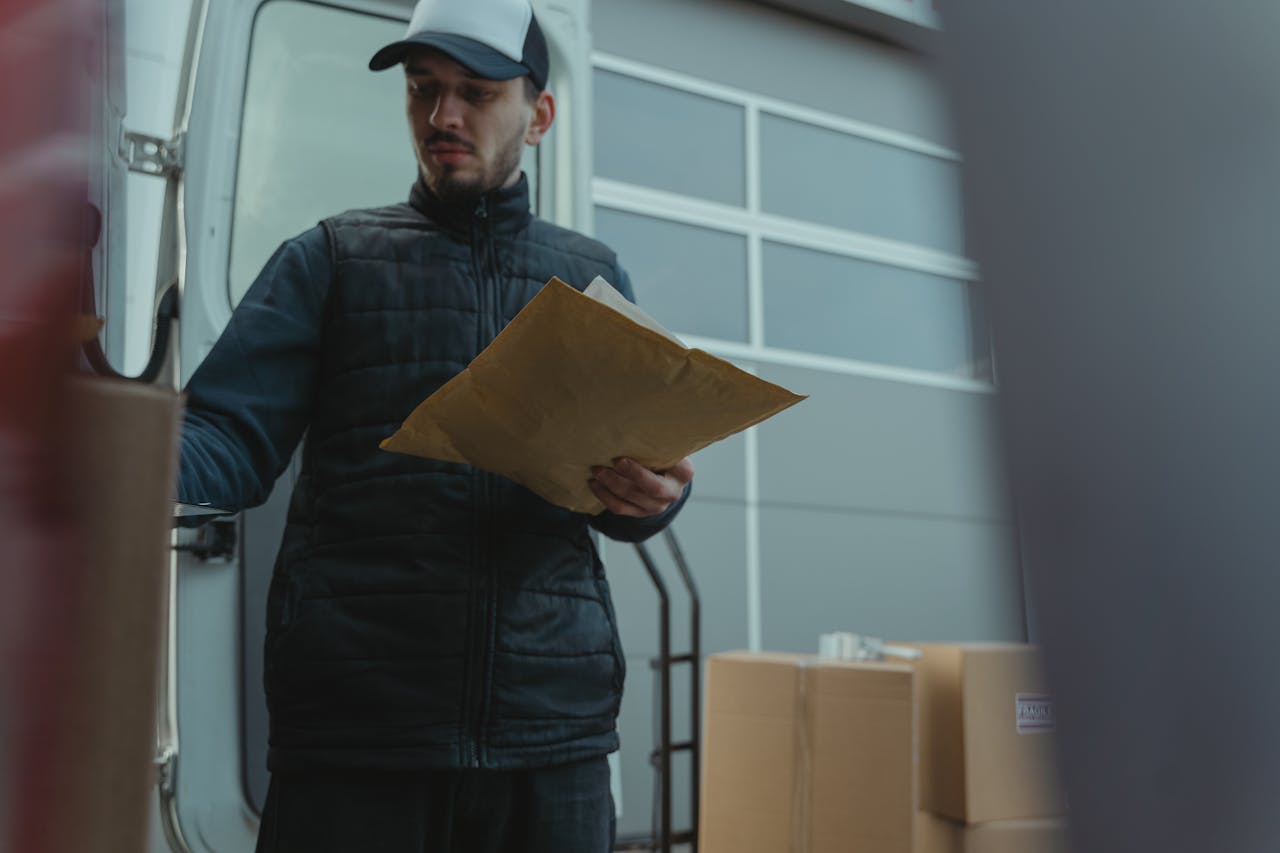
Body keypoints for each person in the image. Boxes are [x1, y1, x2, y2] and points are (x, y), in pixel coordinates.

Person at [177, 0, 694, 849]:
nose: (442, 116)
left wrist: (654, 495)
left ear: (539, 115)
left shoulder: (592, 280)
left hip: (550, 739)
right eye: (423, 91)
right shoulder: (330, 261)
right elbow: (227, 439)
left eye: (476, 93)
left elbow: (623, 481)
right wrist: (116, 457)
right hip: (360, 736)